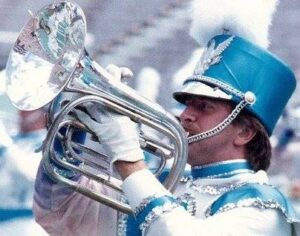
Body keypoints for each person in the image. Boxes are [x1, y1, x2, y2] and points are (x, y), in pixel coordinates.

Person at [33, 0, 300, 235]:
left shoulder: (264, 208)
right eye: (187, 104)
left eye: (204, 107)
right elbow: (59, 215)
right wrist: (74, 123)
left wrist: (127, 157)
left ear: (244, 132)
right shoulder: (162, 184)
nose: (185, 116)